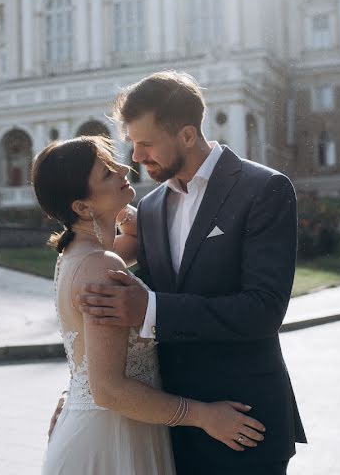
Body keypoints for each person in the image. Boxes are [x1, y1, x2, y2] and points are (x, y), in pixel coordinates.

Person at [77, 71, 307, 474]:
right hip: (169, 428)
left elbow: (264, 309)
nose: (135, 157)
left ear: (186, 135)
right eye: (132, 143)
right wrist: (80, 393)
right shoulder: (149, 209)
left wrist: (151, 310)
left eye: (146, 144)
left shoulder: (264, 189)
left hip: (245, 424)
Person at [34, 135, 267, 475]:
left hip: (106, 426)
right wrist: (204, 416)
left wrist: (113, 207)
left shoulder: (78, 253)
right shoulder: (102, 265)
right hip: (112, 441)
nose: (124, 167)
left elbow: (134, 237)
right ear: (81, 207)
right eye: (107, 173)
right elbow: (109, 389)